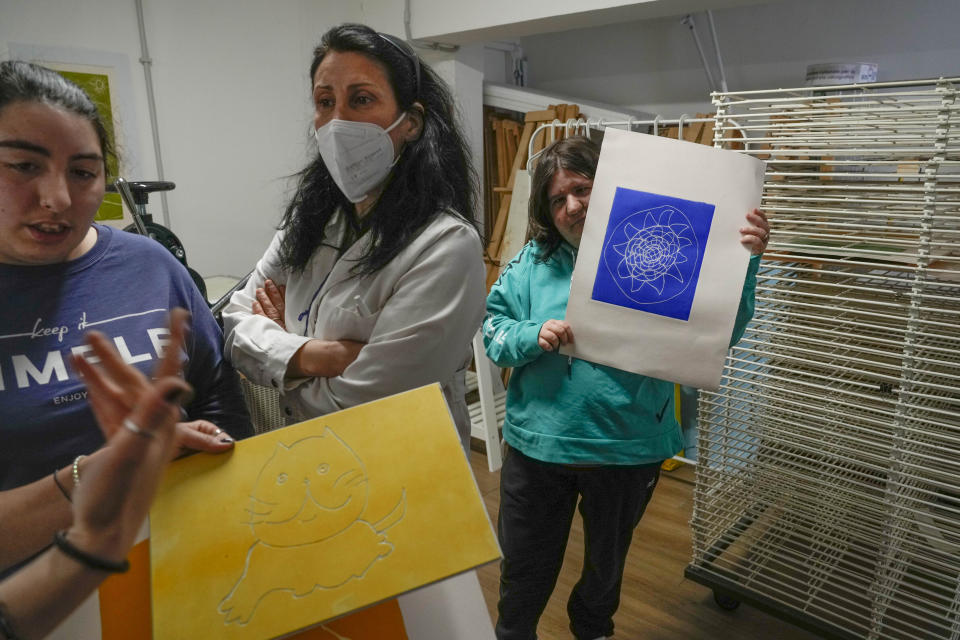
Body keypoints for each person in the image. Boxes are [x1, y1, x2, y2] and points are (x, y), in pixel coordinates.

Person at [483, 136, 770, 640]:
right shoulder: (532, 262)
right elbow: (493, 332)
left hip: (626, 448)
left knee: (604, 574)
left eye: (582, 188)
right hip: (539, 447)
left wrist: (742, 261)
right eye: (556, 199)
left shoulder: (668, 256)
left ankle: (592, 630)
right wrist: (531, 335)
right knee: (524, 568)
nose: (571, 206)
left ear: (614, 187)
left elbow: (722, 332)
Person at [0, 60, 252, 575]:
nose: (58, 199)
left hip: (189, 564)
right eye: (24, 166)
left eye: (84, 172)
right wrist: (95, 477)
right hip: (36, 603)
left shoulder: (149, 264)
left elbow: (215, 391)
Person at [222, 24, 485, 449]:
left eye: (361, 99)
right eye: (325, 102)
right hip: (306, 464)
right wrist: (318, 356)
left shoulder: (446, 244)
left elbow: (366, 405)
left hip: (399, 470)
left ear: (411, 122)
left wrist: (276, 351)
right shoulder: (311, 223)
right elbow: (234, 325)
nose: (338, 121)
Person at [0, 309, 209, 640]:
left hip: (179, 575)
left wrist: (94, 540)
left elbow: (213, 388)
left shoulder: (154, 265)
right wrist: (81, 485)